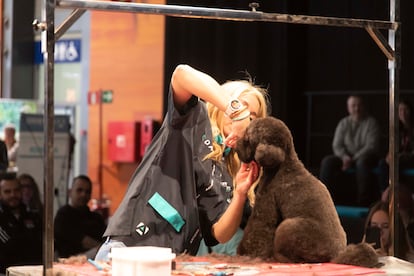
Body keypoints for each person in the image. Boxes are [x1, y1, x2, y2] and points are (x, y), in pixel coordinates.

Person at [95, 64, 269, 261]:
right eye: (241, 106)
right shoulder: (193, 117)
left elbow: (220, 233)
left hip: (172, 261)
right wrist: (235, 110)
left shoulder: (228, 173)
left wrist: (240, 194)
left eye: (252, 117)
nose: (245, 119)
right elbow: (181, 74)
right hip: (130, 248)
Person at [319, 95, 381, 207]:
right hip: (346, 157)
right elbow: (336, 145)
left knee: (362, 163)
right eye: (353, 106)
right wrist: (345, 157)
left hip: (365, 156)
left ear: (363, 106)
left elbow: (371, 146)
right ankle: (325, 200)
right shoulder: (343, 123)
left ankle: (363, 202)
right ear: (348, 108)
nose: (356, 108)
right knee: (327, 161)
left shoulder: (371, 123)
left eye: (359, 105)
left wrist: (353, 159)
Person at [54, 175, 107, 258]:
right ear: (70, 192)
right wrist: (101, 248)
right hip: (70, 261)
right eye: (79, 190)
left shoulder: (96, 218)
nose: (83, 194)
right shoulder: (63, 215)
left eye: (87, 192)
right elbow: (81, 240)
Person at [0, 174, 43, 274]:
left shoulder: (33, 216)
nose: (13, 195)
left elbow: (42, 245)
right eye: (7, 192)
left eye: (16, 190)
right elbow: (11, 246)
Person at [377, 99, 414, 192]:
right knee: (383, 163)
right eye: (400, 110)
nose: (403, 113)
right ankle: (386, 192)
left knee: (395, 162)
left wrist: (401, 156)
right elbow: (388, 146)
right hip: (399, 159)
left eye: (406, 109)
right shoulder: (396, 128)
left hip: (410, 158)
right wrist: (389, 154)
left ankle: (399, 191)